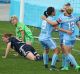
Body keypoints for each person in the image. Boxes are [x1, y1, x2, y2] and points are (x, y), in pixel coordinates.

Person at [42, 7, 80, 71]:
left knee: (66, 53)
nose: (63, 9)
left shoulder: (62, 18)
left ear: (66, 11)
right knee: (68, 52)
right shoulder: (74, 16)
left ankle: (76, 65)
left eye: (64, 9)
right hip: (73, 37)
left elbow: (54, 24)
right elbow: (78, 22)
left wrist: (45, 18)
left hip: (66, 37)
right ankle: (65, 66)